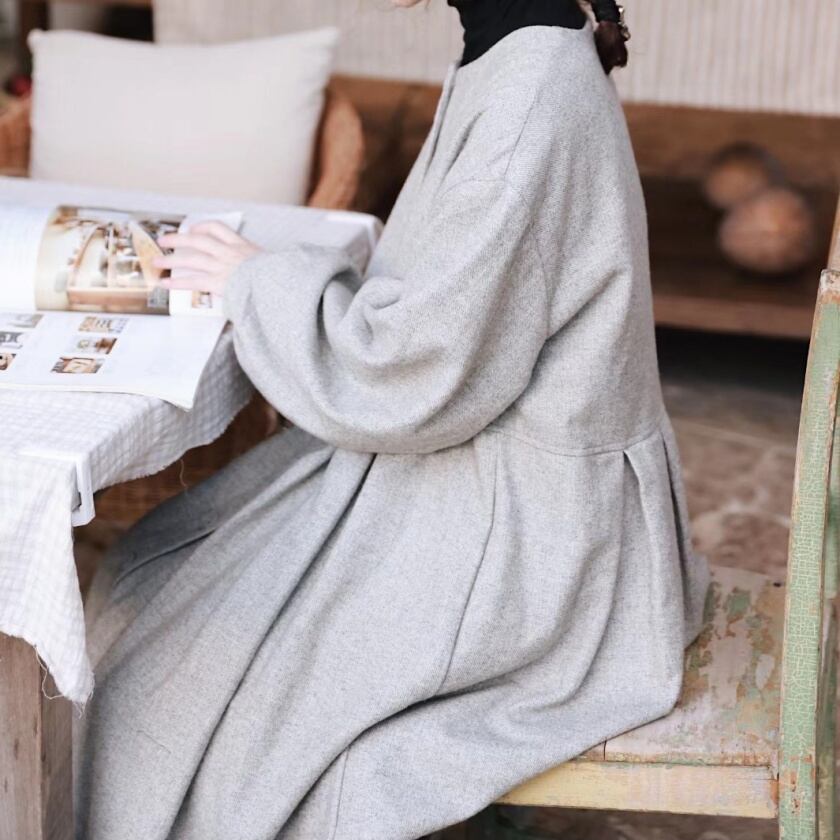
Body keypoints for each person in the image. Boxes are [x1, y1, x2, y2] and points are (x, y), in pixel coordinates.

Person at [77, 2, 710, 838]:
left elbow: (416, 372)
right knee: (154, 573)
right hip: (507, 483)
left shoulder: (534, 89)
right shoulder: (525, 43)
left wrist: (254, 281)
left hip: (531, 539)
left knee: (176, 665)